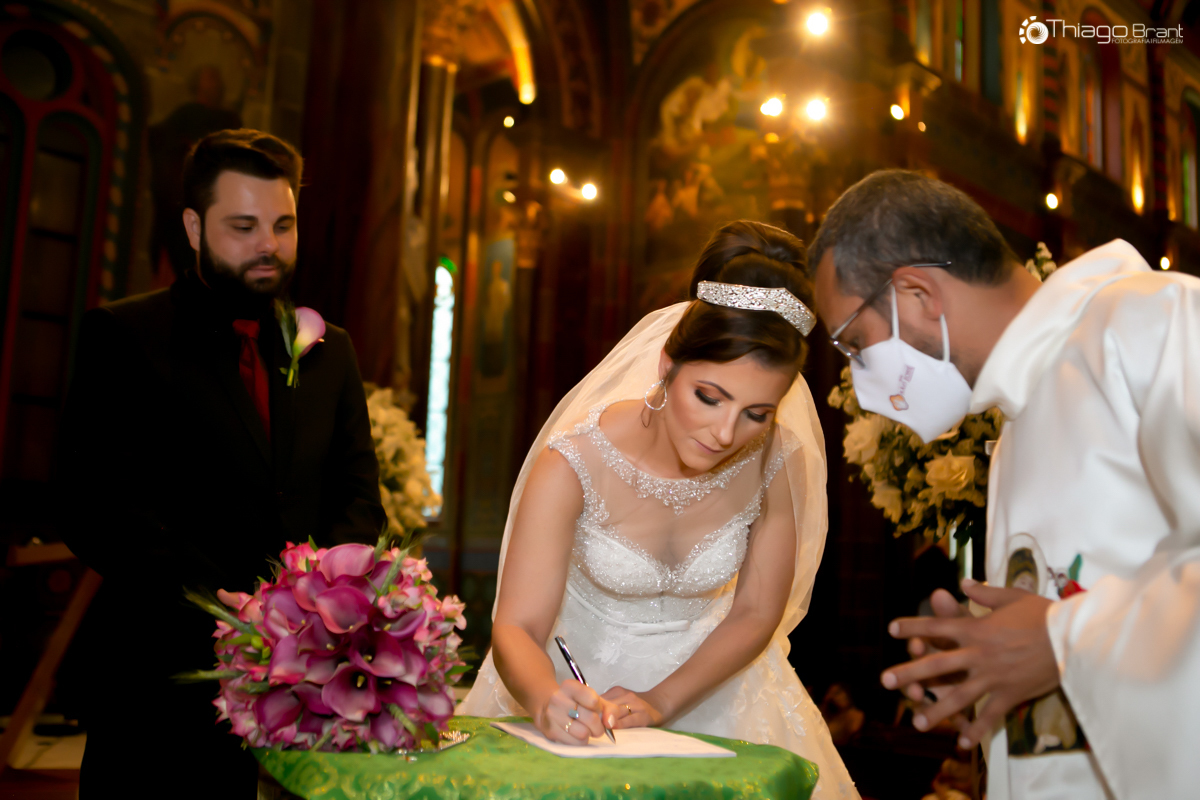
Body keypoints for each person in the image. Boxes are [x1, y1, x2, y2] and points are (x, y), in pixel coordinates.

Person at [807, 169, 1200, 799]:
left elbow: (1064, 633)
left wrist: (1066, 642)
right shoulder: (1019, 419)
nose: (857, 376)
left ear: (917, 294)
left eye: (856, 344)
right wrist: (989, 670)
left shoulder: (1148, 321)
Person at [459, 220, 859, 799]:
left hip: (720, 686)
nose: (726, 433)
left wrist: (661, 701)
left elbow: (755, 611)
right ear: (668, 364)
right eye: (709, 397)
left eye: (757, 413)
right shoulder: (575, 460)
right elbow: (518, 625)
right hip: (575, 689)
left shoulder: (775, 458)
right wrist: (545, 697)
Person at [57, 129, 385, 798]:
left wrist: (323, 601)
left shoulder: (330, 350)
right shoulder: (125, 337)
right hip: (162, 676)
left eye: (283, 225)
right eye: (243, 226)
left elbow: (357, 494)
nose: (269, 244)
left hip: (310, 678)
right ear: (193, 226)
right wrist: (225, 604)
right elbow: (97, 507)